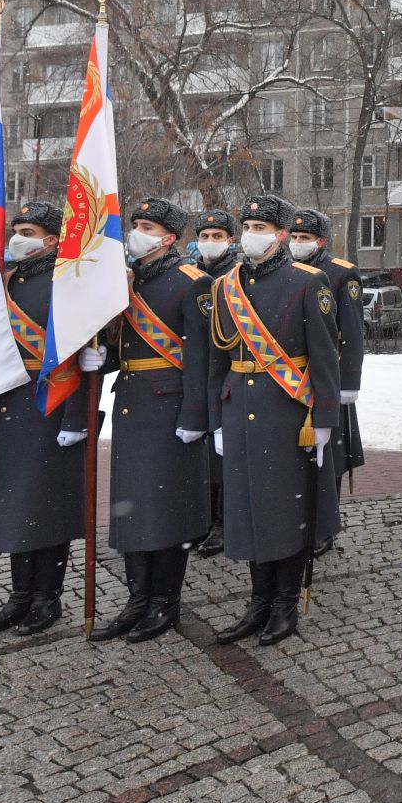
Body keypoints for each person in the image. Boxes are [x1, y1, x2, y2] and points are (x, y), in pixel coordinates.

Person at [207, 195, 342, 647]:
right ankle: (258, 602)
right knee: (245, 510)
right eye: (247, 225)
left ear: (282, 235)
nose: (250, 234)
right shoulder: (227, 286)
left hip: (286, 411)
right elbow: (218, 358)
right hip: (238, 410)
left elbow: (324, 358)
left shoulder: (308, 281)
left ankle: (284, 603)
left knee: (284, 511)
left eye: (261, 226)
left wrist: (322, 420)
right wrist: (217, 419)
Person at [87, 197, 213, 644]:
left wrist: (197, 413)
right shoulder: (124, 281)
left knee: (168, 510)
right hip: (132, 406)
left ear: (169, 237)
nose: (137, 231)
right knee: (133, 509)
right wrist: (98, 357)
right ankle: (137, 600)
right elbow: (120, 347)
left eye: (146, 226)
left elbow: (202, 357)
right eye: (136, 223)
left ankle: (165, 602)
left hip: (171, 409)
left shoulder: (191, 283)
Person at [0, 200, 93, 637]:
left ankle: (47, 598)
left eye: (28, 231)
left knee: (47, 507)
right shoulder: (4, 282)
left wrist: (76, 419)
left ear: (52, 240)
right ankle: (19, 596)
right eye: (16, 229)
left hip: (51, 407)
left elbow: (81, 356)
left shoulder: (67, 284)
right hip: (8, 406)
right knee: (13, 506)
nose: (18, 238)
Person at [285, 208, 365, 557]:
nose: (298, 243)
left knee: (329, 453)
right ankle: (301, 519)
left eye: (305, 238)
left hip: (329, 377)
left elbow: (351, 334)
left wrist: (348, 383)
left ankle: (324, 527)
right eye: (294, 237)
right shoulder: (286, 272)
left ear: (320, 241)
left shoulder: (341, 274)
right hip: (295, 376)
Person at [191, 208, 239, 557]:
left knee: (222, 458)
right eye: (204, 237)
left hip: (225, 368)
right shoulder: (191, 273)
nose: (209, 243)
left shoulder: (236, 276)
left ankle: (224, 524)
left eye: (217, 237)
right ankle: (203, 519)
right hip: (194, 370)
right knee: (202, 455)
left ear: (231, 240)